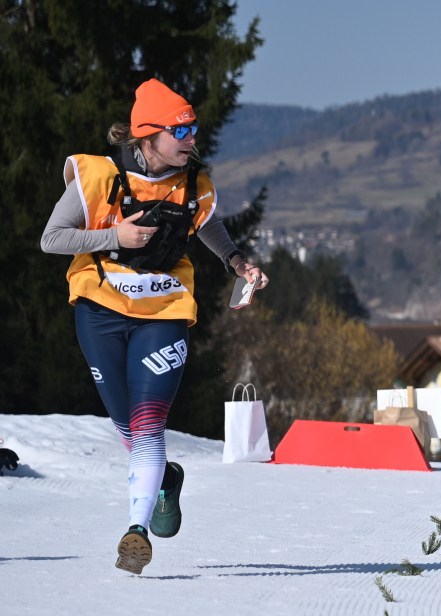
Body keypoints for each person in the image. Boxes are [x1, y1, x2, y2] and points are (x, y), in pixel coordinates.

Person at [40, 78, 269, 575]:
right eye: (180, 129)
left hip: (164, 312)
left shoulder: (194, 184)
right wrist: (113, 234)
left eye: (194, 128)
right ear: (147, 134)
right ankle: (165, 479)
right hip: (99, 309)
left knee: (148, 424)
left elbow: (205, 223)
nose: (191, 138)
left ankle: (136, 532)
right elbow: (51, 238)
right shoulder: (97, 176)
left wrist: (237, 263)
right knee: (126, 424)